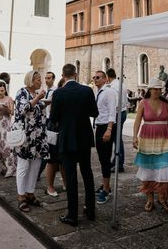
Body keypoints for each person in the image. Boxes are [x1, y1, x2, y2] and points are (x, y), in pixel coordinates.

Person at [50, 64, 98, 227]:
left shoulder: (58, 93)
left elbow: (54, 118)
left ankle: (72, 214)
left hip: (67, 138)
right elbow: (94, 113)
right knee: (87, 173)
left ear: (63, 75)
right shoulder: (87, 91)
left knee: (70, 177)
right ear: (76, 74)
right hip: (84, 137)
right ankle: (90, 210)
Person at [133, 78, 168, 214]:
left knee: (164, 170)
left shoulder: (165, 103)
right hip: (147, 140)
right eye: (155, 88)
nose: (157, 91)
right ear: (150, 89)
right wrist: (134, 136)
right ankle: (150, 199)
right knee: (148, 170)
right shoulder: (143, 103)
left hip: (165, 140)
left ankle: (163, 199)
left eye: (159, 89)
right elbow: (137, 121)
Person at [13, 70, 49, 213]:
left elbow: (38, 109)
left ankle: (30, 193)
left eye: (40, 79)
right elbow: (23, 109)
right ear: (31, 80)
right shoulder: (22, 92)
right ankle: (21, 196)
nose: (41, 82)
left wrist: (45, 102)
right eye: (38, 79)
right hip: (25, 136)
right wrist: (38, 98)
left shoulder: (36, 95)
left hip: (38, 136)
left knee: (35, 166)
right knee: (23, 166)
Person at [92, 70, 118, 204]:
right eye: (94, 77)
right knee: (102, 159)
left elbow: (112, 112)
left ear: (105, 79)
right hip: (99, 126)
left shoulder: (109, 92)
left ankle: (107, 190)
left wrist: (109, 129)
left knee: (105, 158)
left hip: (106, 127)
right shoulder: (99, 91)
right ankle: (105, 184)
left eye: (98, 77)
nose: (95, 79)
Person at [42, 71, 66, 197]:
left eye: (49, 78)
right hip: (52, 124)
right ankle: (50, 186)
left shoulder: (56, 92)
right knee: (52, 158)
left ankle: (65, 183)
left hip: (59, 126)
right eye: (45, 78)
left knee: (61, 158)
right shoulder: (54, 94)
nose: (46, 80)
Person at [107, 68, 127, 173]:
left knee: (117, 139)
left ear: (108, 77)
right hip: (123, 111)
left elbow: (115, 103)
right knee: (117, 138)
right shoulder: (121, 84)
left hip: (117, 113)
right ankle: (116, 160)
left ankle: (119, 163)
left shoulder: (113, 87)